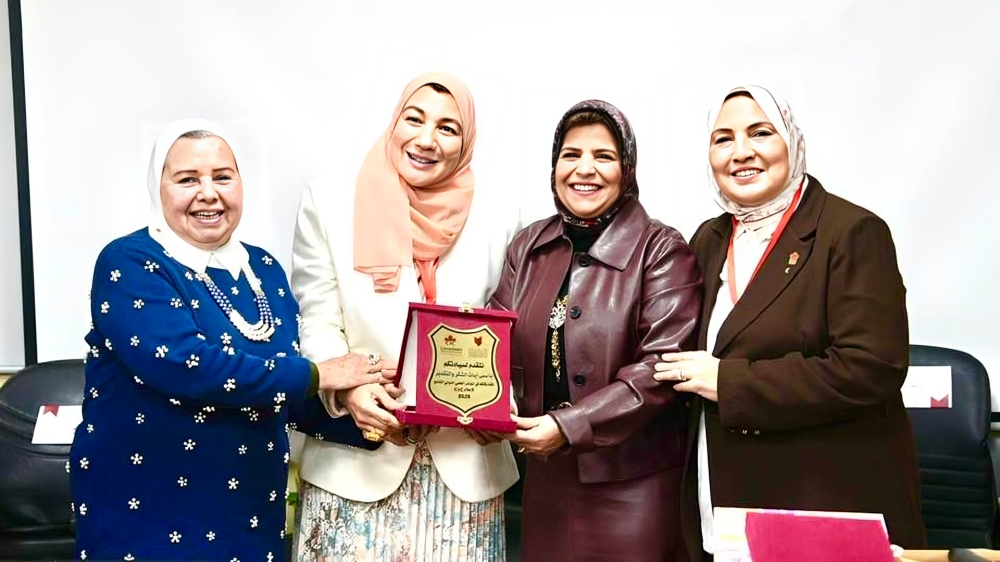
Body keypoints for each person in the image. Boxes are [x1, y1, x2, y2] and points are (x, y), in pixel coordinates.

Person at [69, 119, 391, 561]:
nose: (208, 193)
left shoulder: (263, 269)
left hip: (247, 513)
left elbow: (285, 393)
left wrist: (375, 418)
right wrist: (322, 374)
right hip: (146, 513)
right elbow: (185, 366)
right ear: (157, 187)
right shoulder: (130, 262)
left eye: (223, 177)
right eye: (187, 179)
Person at [653, 86, 926, 560]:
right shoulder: (710, 238)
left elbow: (871, 368)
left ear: (792, 140)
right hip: (723, 494)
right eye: (723, 138)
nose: (741, 152)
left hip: (823, 500)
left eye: (760, 133)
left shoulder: (851, 231)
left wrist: (729, 381)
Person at [290, 72, 519, 561]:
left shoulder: (501, 213)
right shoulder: (330, 201)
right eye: (414, 119)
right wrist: (349, 391)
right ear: (394, 122)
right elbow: (317, 318)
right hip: (356, 460)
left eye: (447, 128)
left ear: (466, 141)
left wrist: (498, 404)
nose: (426, 139)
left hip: (464, 469)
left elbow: (508, 327)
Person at [487, 100, 702, 562]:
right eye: (571, 155)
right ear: (554, 167)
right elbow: (493, 342)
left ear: (627, 169)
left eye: (603, 156)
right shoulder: (529, 246)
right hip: (545, 482)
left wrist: (569, 426)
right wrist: (484, 407)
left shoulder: (662, 249)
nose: (584, 169)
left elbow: (661, 369)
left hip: (634, 485)